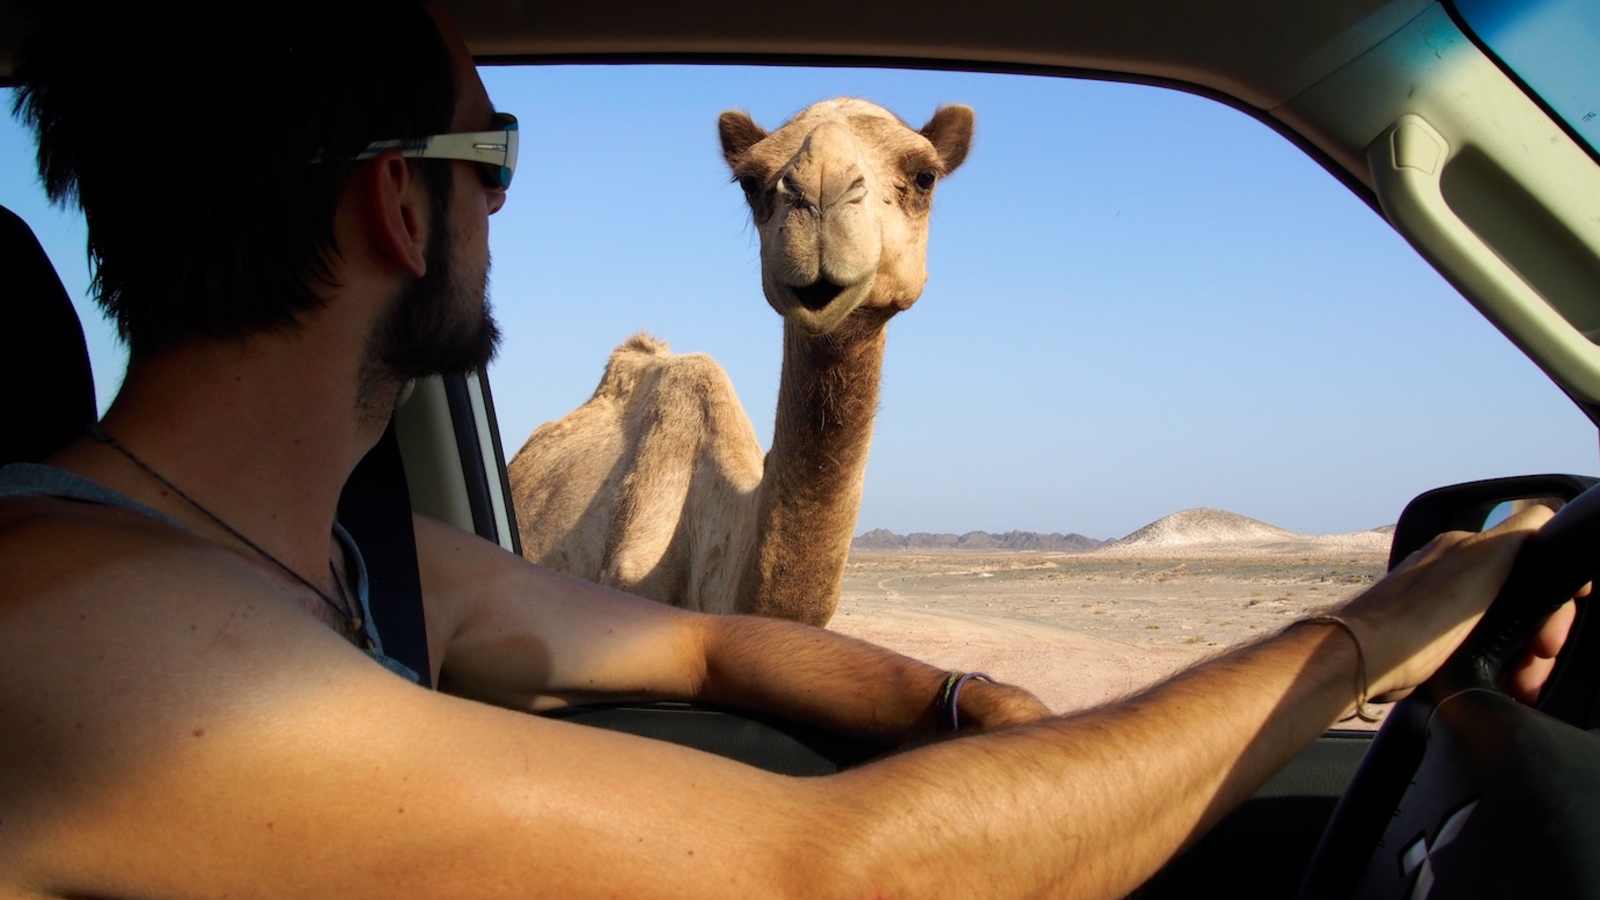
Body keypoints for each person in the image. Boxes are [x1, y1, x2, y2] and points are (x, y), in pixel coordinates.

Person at [0, 4, 1581, 898]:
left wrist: (968, 706)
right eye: (494, 157)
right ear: (401, 208)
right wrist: (1376, 627)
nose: (509, 203)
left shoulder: (353, 567)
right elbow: (832, 878)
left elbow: (704, 643)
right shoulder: (93, 645)